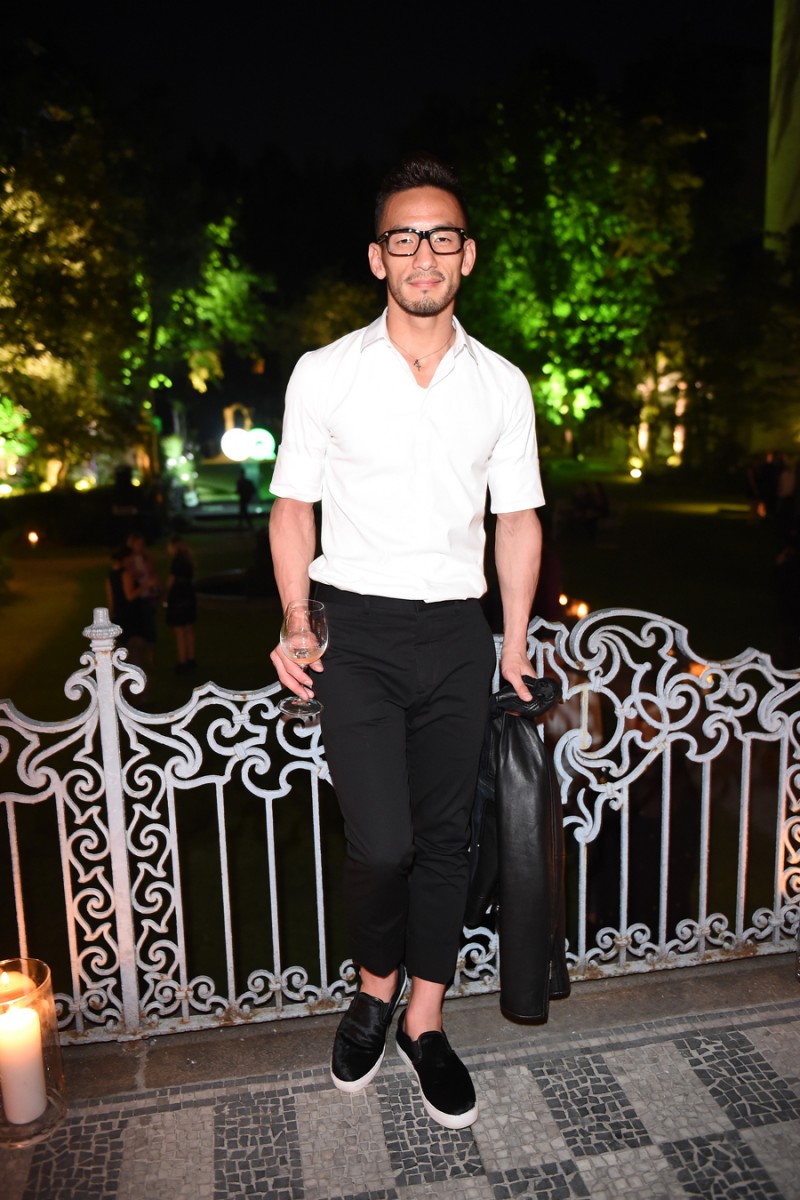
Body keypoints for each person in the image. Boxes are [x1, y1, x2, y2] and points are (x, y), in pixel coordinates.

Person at [269, 154, 544, 1129]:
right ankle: (373, 986)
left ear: (464, 257)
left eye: (440, 237)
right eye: (402, 238)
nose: (421, 253)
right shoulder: (326, 373)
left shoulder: (501, 384)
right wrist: (297, 621)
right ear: (376, 259)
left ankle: (423, 1021)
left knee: (447, 842)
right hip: (363, 633)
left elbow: (515, 520)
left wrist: (511, 641)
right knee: (379, 846)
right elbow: (291, 503)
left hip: (457, 638)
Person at [164, 535, 197, 673]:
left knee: (180, 631)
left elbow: (171, 580)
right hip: (189, 595)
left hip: (178, 597)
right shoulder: (188, 560)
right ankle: (191, 658)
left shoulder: (176, 561)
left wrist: (164, 592)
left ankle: (182, 661)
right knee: (189, 629)